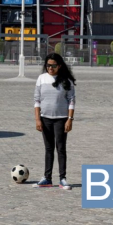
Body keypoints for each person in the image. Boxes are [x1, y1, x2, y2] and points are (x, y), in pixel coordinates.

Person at [33, 52, 76, 189]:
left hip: (61, 119)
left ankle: (62, 178)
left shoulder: (66, 81)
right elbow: (37, 100)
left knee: (61, 148)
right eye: (48, 65)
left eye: (53, 66)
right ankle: (47, 178)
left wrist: (70, 119)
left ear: (60, 66)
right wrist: (38, 119)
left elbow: (71, 101)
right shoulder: (41, 79)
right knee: (48, 148)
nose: (50, 68)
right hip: (45, 119)